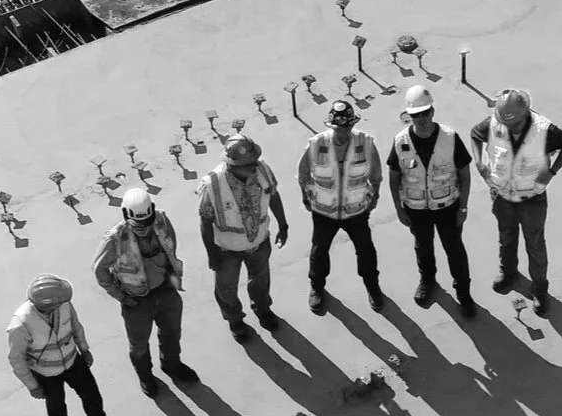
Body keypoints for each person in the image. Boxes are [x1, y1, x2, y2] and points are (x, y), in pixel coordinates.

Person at [470, 88, 562, 316]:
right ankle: (508, 272)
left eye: (515, 124)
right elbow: (475, 134)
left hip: (532, 197)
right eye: (506, 123)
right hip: (502, 195)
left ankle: (539, 288)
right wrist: (479, 162)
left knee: (536, 244)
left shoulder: (543, 129)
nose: (510, 128)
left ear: (526, 114)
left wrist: (552, 171)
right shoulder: (494, 123)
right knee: (506, 237)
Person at [91, 187, 198, 397]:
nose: (143, 229)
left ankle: (171, 365)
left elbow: (171, 245)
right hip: (136, 301)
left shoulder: (161, 221)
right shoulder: (114, 239)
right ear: (125, 215)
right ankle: (145, 376)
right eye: (138, 225)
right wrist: (121, 296)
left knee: (172, 333)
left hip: (166, 291)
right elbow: (99, 270)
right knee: (139, 345)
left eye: (146, 223)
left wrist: (173, 274)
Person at [7, 274, 123, 416]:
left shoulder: (64, 304)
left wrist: (84, 349)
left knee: (92, 397)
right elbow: (16, 359)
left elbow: (76, 327)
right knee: (58, 412)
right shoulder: (20, 325)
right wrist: (32, 386)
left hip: (73, 362)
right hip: (46, 374)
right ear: (46, 304)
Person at [387, 84, 475, 315]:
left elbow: (465, 174)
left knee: (454, 249)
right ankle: (428, 282)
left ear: (433, 111)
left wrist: (463, 207)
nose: (422, 118)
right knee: (423, 247)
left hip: (448, 206)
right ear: (409, 115)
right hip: (416, 209)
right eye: (416, 115)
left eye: (425, 113)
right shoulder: (400, 141)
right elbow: (394, 176)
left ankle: (463, 293)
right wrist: (399, 208)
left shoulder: (450, 137)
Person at [198, 135, 290, 344]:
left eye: (254, 160)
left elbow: (274, 196)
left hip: (259, 242)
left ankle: (263, 310)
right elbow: (205, 221)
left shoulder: (263, 171)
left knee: (260, 280)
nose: (254, 166)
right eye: (248, 164)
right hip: (226, 249)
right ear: (232, 165)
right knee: (226, 288)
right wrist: (212, 254)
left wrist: (283, 225)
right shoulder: (212, 184)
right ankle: (235, 321)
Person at [298, 99, 385, 313]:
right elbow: (302, 175)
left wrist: (373, 200)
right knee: (319, 251)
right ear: (331, 126)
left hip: (356, 212)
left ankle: (373, 288)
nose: (343, 132)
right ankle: (317, 288)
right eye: (338, 128)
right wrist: (306, 198)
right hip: (324, 212)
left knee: (365, 251)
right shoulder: (316, 144)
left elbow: (375, 177)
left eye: (347, 127)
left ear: (353, 124)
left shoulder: (365, 143)